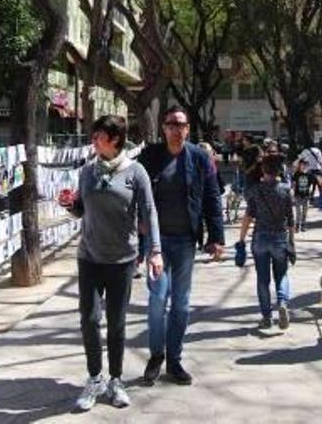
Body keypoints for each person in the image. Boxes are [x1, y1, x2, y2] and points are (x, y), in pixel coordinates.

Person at [59, 115, 162, 410]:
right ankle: (94, 378)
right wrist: (69, 206)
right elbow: (81, 210)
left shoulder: (136, 172)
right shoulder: (87, 172)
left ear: (115, 139)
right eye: (93, 137)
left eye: (98, 136)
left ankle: (115, 380)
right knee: (90, 321)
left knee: (116, 324)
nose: (93, 141)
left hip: (122, 260)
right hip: (89, 257)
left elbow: (150, 212)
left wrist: (155, 250)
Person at [138, 106, 224, 386]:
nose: (176, 129)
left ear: (188, 129)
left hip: (186, 240)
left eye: (181, 125)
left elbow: (212, 196)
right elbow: (135, 191)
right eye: (171, 124)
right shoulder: (150, 156)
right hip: (156, 243)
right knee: (158, 298)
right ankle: (156, 356)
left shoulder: (200, 158)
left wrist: (216, 237)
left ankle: (174, 361)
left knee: (182, 305)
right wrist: (137, 224)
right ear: (163, 128)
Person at [238, 155, 295, 330]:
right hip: (279, 237)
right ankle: (282, 302)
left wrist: (241, 238)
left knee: (263, 279)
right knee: (282, 274)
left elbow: (248, 216)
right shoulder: (286, 190)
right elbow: (291, 220)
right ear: (280, 171)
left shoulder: (255, 190)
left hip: (260, 238)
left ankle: (266, 316)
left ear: (263, 170)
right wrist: (291, 242)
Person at [197, 142, 225, 254]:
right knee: (212, 218)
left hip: (208, 196)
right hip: (210, 196)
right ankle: (212, 242)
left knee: (210, 219)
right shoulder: (210, 163)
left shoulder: (205, 164)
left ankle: (212, 243)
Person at [291, 160, 314, 232]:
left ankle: (303, 225)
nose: (303, 167)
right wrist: (293, 193)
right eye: (302, 165)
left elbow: (311, 184)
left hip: (306, 195)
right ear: (299, 166)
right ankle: (297, 225)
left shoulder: (310, 174)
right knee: (298, 211)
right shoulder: (296, 174)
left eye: (305, 165)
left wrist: (311, 193)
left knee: (305, 211)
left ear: (308, 166)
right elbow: (294, 184)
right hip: (298, 195)